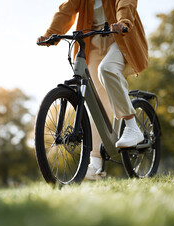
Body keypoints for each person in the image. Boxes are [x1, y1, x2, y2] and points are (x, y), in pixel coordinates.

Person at [37, 0, 148, 180]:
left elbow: (125, 3)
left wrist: (124, 22)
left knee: (108, 69)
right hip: (93, 42)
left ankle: (131, 125)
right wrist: (50, 34)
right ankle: (95, 164)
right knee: (95, 105)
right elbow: (66, 11)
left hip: (120, 38)